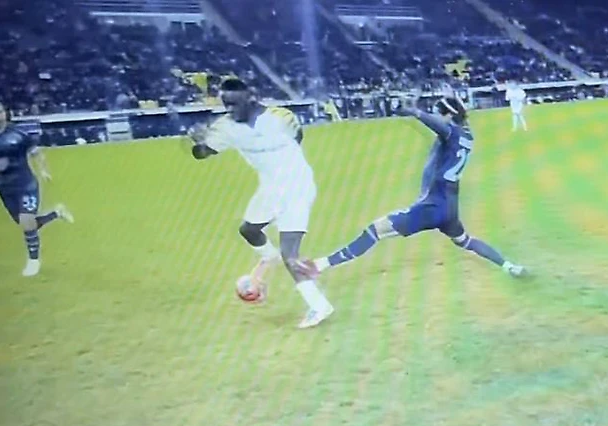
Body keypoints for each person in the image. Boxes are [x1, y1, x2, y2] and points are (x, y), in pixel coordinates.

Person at [296, 92, 527, 281]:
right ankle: (509, 266)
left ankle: (319, 265)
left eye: (438, 113)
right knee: (465, 241)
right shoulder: (467, 136)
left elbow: (441, 127)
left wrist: (413, 111)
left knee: (375, 230)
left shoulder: (451, 132)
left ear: (448, 115)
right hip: (450, 206)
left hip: (432, 206)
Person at [188, 79, 333, 329]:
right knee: (249, 230)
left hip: (296, 187)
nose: (230, 109)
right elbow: (202, 154)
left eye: (235, 104)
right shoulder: (224, 127)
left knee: (290, 254)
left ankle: (319, 306)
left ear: (251, 97)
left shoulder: (280, 117)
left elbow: (298, 136)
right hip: (270, 188)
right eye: (226, 104)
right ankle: (269, 256)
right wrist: (198, 142)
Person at [0, 100, 74, 277]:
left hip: (25, 183)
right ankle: (56, 213)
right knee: (27, 224)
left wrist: (43, 170)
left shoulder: (18, 133)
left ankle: (33, 261)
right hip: (4, 188)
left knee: (27, 221)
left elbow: (36, 152)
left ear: (5, 113)